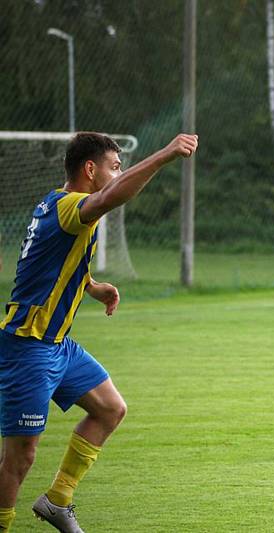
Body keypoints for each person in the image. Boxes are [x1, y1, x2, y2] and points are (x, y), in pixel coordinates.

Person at [0, 132, 198, 532]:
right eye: (115, 165)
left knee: (110, 408)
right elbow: (110, 198)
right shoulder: (72, 206)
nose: (119, 172)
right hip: (28, 347)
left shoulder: (53, 204)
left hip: (58, 346)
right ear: (90, 169)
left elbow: (47, 262)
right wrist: (163, 155)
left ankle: (57, 500)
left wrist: (90, 286)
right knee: (20, 457)